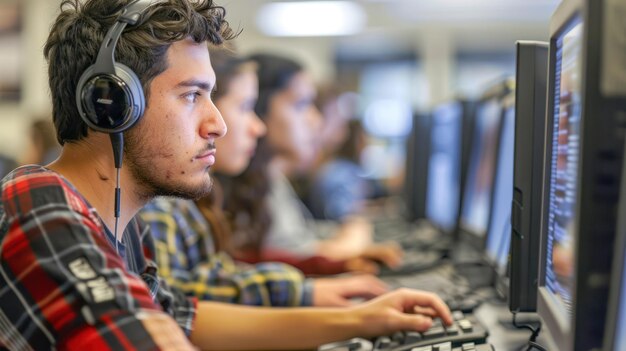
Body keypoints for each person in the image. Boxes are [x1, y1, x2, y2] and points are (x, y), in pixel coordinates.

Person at [0, 1, 452, 349]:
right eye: (192, 95)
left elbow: (182, 316)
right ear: (112, 104)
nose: (220, 124)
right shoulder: (36, 202)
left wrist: (362, 320)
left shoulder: (126, 228)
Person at [139, 45, 387, 307]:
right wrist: (311, 293)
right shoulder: (167, 201)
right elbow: (179, 304)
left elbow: (227, 272)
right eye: (246, 107)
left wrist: (330, 269)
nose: (258, 126)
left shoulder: (200, 198)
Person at [221, 53, 403, 269]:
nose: (316, 121)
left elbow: (297, 246)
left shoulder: (271, 178)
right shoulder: (239, 188)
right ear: (261, 108)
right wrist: (353, 238)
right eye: (301, 105)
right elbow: (291, 258)